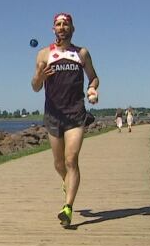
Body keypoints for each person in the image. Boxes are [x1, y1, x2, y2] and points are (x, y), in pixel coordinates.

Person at [31, 12, 99, 228]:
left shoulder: (82, 53)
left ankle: (67, 207)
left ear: (72, 29)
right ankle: (66, 182)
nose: (62, 27)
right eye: (58, 25)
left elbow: (94, 77)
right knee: (59, 163)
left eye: (66, 24)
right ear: (53, 29)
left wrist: (91, 90)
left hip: (75, 113)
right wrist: (40, 77)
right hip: (53, 114)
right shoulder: (44, 54)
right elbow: (35, 86)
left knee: (71, 160)